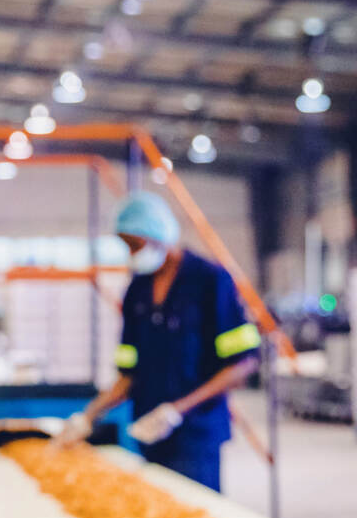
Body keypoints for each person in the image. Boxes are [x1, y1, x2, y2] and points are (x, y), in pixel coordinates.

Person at [56, 191, 261, 492]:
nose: (131, 253)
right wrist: (87, 416)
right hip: (148, 433)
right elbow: (129, 374)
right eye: (126, 246)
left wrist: (178, 410)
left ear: (158, 234)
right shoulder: (137, 291)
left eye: (134, 244)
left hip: (196, 436)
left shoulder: (210, 281)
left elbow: (243, 364)